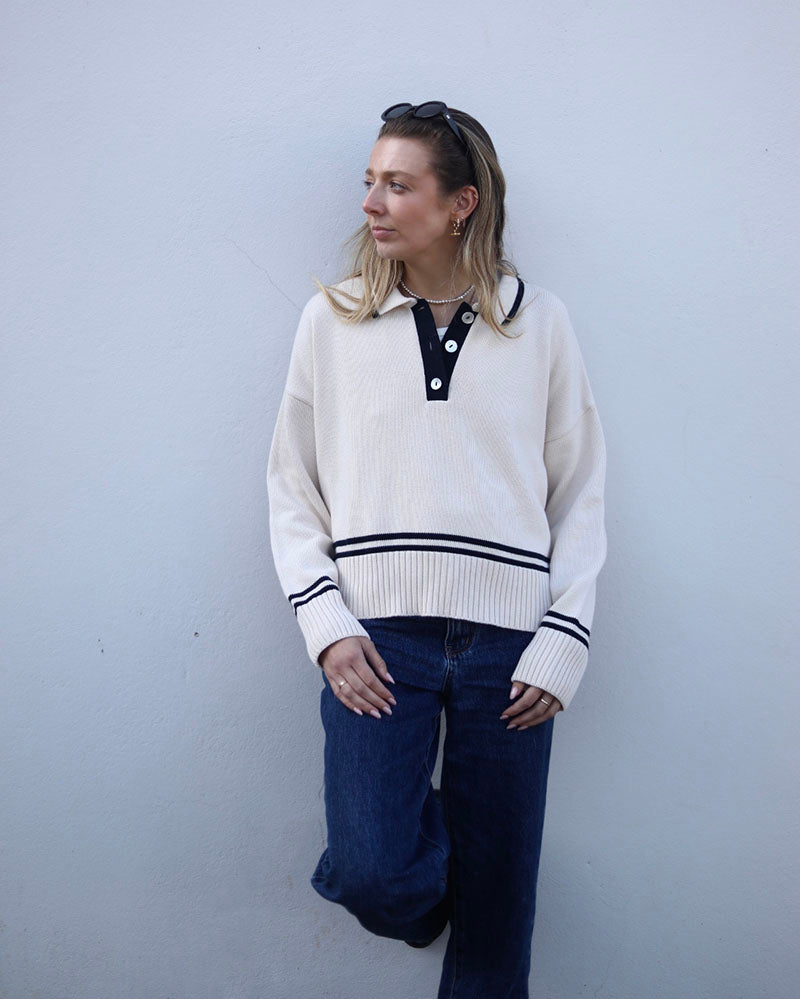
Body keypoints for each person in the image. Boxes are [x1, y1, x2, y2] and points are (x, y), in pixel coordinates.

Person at [266, 101, 607, 999]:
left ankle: (493, 888)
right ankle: (473, 881)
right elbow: (291, 487)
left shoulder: (539, 324)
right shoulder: (332, 320)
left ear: (461, 203)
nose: (371, 202)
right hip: (378, 639)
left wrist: (565, 636)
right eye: (369, 182)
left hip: (512, 649)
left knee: (495, 941)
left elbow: (579, 490)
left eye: (398, 184)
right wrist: (327, 624)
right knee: (374, 870)